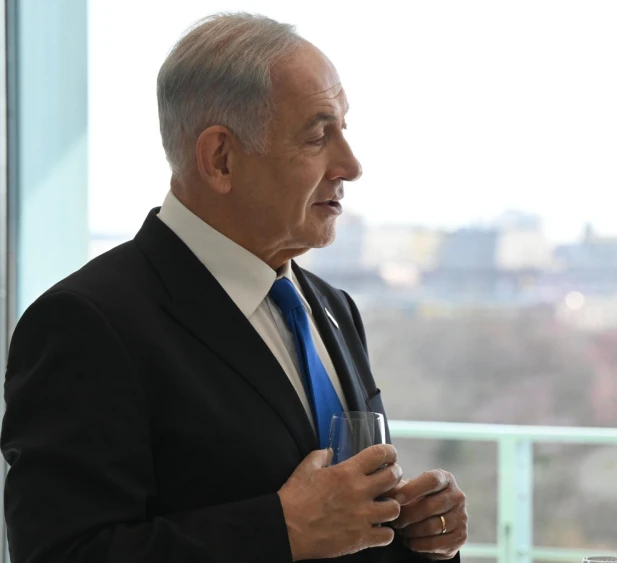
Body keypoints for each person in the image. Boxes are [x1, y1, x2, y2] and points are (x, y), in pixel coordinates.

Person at [2, 13, 468, 563]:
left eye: (345, 129)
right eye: (319, 135)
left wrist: (419, 536)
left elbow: (346, 524)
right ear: (221, 158)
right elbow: (63, 554)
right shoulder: (85, 323)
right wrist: (280, 529)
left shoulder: (332, 308)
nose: (351, 165)